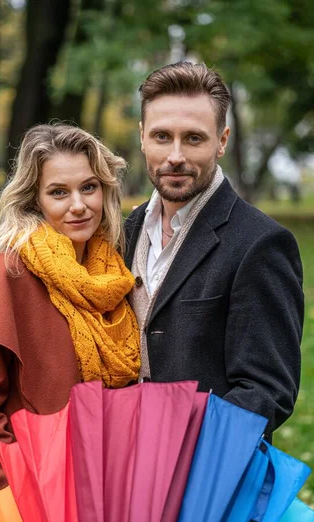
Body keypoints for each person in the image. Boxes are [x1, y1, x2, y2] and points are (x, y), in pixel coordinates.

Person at [0, 124, 140, 522]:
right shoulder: (1, 279)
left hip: (99, 497)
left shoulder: (112, 277)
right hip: (27, 505)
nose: (78, 205)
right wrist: (20, 500)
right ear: (34, 200)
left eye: (88, 187)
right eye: (59, 192)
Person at [125, 61, 304, 438]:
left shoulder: (261, 244)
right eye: (161, 136)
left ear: (221, 140)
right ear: (142, 137)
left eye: (193, 138)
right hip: (119, 465)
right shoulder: (122, 232)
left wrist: (184, 445)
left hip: (209, 475)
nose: (175, 155)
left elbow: (267, 391)